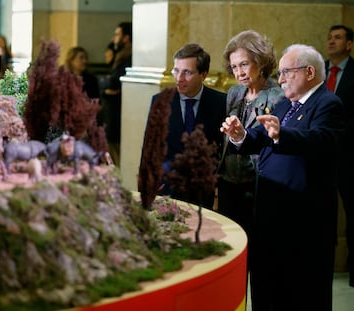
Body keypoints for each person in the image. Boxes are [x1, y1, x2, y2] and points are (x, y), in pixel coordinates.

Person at [220, 44, 344, 311]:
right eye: (281, 72)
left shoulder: (328, 104)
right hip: (270, 217)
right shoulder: (285, 102)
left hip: (304, 224)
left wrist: (281, 135)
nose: (282, 78)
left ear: (309, 72)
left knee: (301, 295)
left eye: (287, 72)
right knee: (267, 290)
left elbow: (322, 140)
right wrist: (240, 135)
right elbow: (263, 136)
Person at [218, 30, 284, 239]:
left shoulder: (278, 96)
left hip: (257, 182)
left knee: (256, 241)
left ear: (261, 61)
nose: (239, 72)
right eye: (235, 67)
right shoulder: (234, 93)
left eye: (245, 64)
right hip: (229, 180)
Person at [144, 43, 227, 210]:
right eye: (176, 70)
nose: (179, 78)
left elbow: (223, 151)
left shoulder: (220, 102)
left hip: (203, 192)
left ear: (203, 75)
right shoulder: (160, 101)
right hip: (166, 189)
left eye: (187, 72)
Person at [325, 24, 354, 287]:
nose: (332, 42)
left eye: (338, 38)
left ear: (349, 45)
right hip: (318, 153)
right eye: (330, 37)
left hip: (349, 155)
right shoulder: (316, 70)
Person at [100, 21, 132, 166]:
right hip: (112, 115)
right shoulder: (120, 56)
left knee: (117, 160)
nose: (114, 39)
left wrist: (104, 83)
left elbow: (114, 82)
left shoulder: (128, 58)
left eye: (117, 34)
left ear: (126, 37)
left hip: (117, 115)